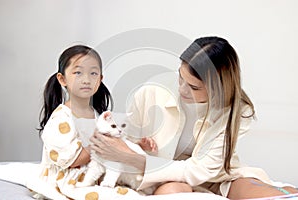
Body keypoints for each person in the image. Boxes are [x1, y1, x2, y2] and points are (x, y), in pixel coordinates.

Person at [90, 36, 298, 199]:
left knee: (265, 192)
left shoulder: (237, 110)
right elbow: (125, 136)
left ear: (219, 88)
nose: (182, 89)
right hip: (160, 177)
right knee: (172, 191)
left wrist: (132, 158)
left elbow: (202, 170)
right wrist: (134, 145)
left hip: (216, 176)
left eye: (194, 87)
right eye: (180, 77)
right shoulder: (152, 91)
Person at [27, 44, 115, 199]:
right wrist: (103, 142)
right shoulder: (61, 118)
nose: (87, 79)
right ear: (62, 79)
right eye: (78, 73)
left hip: (94, 177)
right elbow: (74, 160)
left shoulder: (97, 115)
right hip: (69, 181)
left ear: (100, 79)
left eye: (93, 73)